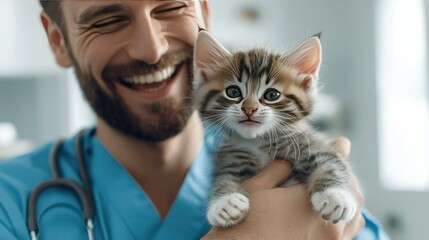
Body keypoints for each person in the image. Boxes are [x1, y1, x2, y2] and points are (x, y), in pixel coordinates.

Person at [0, 0, 389, 239]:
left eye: (170, 7)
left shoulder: (302, 176)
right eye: (106, 20)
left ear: (204, 11)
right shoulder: (10, 202)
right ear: (58, 40)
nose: (151, 49)